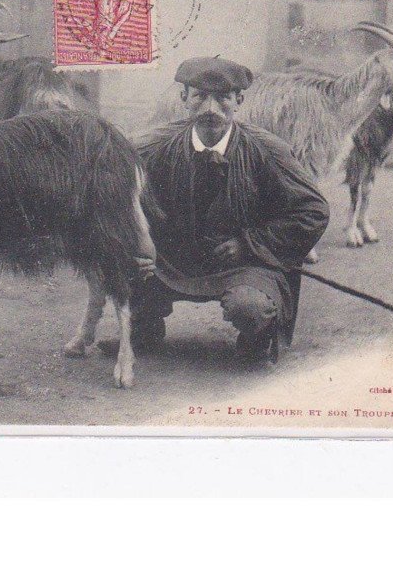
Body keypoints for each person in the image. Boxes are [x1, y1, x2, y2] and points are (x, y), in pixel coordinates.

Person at [108, 56, 330, 363]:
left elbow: (313, 211)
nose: (210, 109)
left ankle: (257, 335)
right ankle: (145, 324)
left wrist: (250, 243)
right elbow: (120, 200)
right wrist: (138, 247)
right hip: (171, 261)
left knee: (250, 308)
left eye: (223, 98)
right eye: (199, 96)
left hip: (246, 264)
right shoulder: (150, 147)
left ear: (239, 100)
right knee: (128, 265)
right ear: (184, 98)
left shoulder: (269, 150)